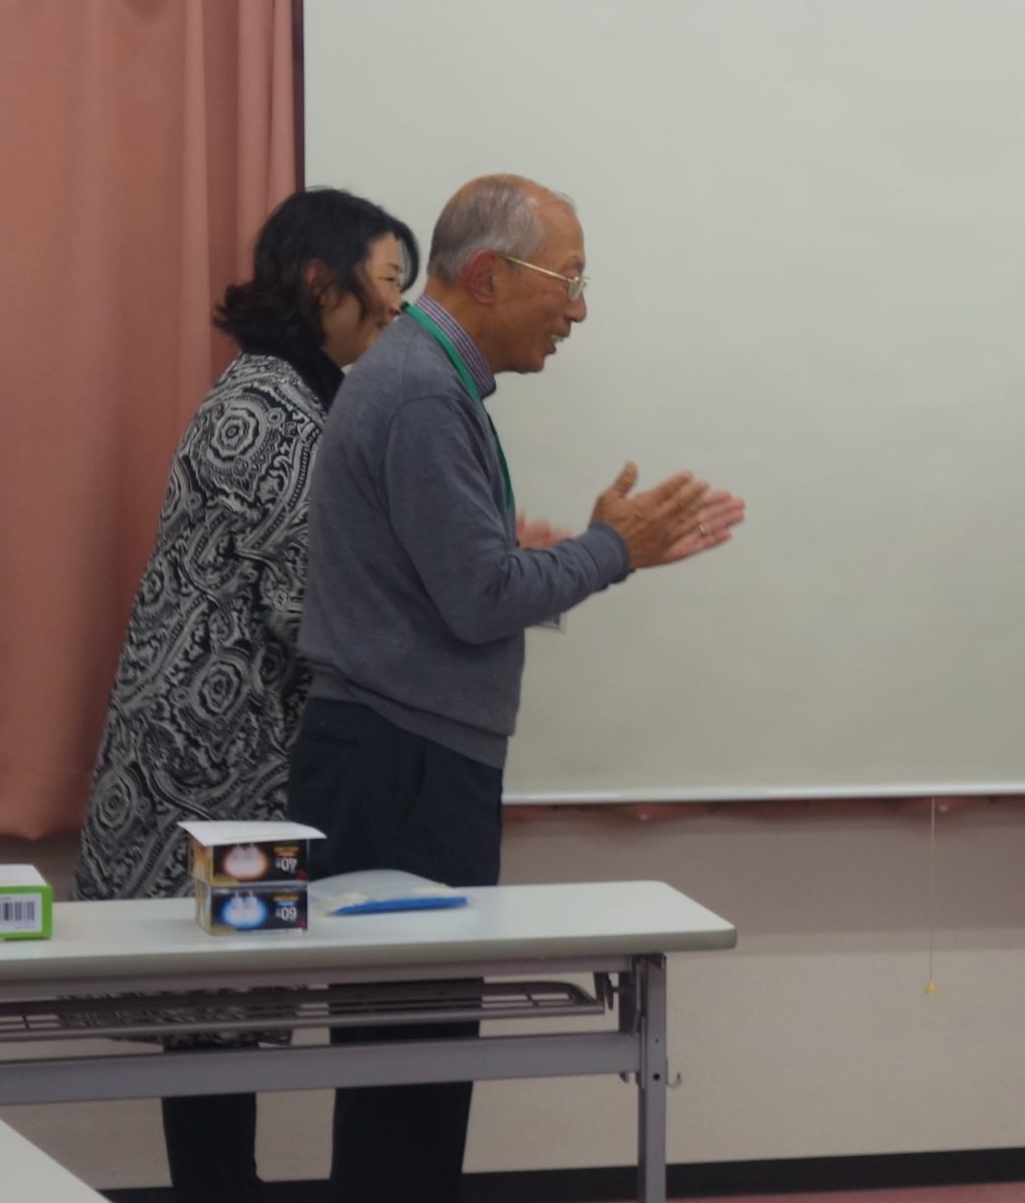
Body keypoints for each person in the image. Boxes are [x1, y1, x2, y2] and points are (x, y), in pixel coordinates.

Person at [286, 173, 745, 1203]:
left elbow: (452, 585)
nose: (577, 311)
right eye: (568, 281)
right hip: (400, 769)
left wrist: (546, 557)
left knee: (409, 1078)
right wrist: (611, 549)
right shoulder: (422, 390)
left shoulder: (421, 377)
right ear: (490, 276)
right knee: (409, 1083)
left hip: (398, 758)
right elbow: (479, 600)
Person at [72, 187, 419, 1203]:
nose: (399, 309)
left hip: (222, 761)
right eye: (388, 282)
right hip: (213, 774)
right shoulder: (267, 410)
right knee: (216, 1028)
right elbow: (307, 604)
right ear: (322, 283)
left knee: (219, 1027)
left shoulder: (290, 398)